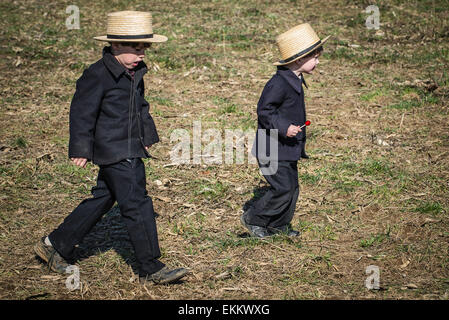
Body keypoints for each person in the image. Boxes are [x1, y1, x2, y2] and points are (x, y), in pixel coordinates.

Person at [34, 11, 189, 284]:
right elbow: (81, 113)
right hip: (114, 149)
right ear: (116, 45)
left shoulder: (133, 72)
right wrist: (81, 148)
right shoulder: (97, 75)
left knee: (104, 198)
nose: (141, 54)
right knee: (138, 204)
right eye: (135, 48)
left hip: (130, 146)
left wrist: (147, 134)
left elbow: (140, 108)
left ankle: (55, 244)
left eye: (145, 48)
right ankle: (150, 268)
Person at [242, 23, 330, 238]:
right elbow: (264, 110)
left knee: (292, 189)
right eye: (315, 58)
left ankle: (278, 225)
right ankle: (254, 218)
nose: (318, 62)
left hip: (286, 149)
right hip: (272, 149)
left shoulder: (295, 79)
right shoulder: (278, 83)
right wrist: (284, 127)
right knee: (282, 188)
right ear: (300, 59)